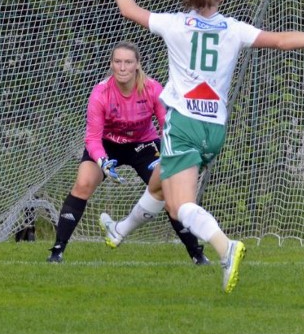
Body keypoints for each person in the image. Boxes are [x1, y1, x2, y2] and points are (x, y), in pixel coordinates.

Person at [99, 0, 304, 293]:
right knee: (159, 182)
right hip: (214, 129)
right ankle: (119, 230)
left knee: (179, 207)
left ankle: (226, 248)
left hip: (183, 124)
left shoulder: (175, 24)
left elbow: (128, 10)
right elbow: (281, 41)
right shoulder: (234, 29)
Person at [47, 41, 208, 265]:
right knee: (83, 183)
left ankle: (198, 255)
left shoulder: (153, 89)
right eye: (118, 62)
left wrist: (173, 155)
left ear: (137, 65)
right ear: (111, 64)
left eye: (128, 62)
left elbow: (168, 128)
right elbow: (92, 138)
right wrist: (102, 161)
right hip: (107, 146)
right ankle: (57, 251)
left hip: (143, 145)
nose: (123, 67)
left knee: (170, 192)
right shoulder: (101, 93)